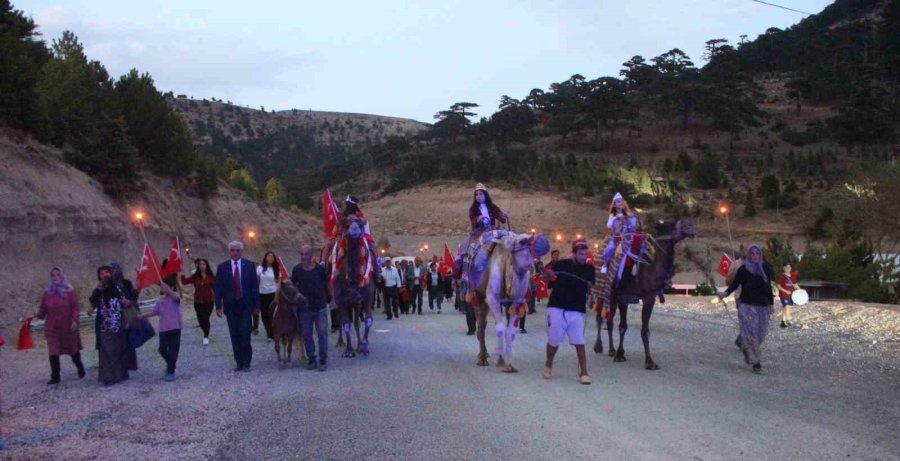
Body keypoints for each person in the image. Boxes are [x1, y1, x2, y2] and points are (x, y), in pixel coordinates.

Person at [543, 239, 596, 385]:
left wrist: (592, 293)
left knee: (579, 340)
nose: (583, 257)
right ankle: (548, 363)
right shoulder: (561, 264)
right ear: (574, 254)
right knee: (554, 339)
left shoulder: (589, 269)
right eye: (580, 254)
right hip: (557, 305)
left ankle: (584, 372)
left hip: (576, 308)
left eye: (585, 254)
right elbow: (548, 280)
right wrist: (547, 275)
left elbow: (591, 285)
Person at [718, 244, 774, 374]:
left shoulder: (765, 268)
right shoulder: (743, 270)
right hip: (747, 305)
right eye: (752, 253)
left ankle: (746, 347)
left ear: (760, 255)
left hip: (764, 307)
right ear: (749, 255)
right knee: (752, 334)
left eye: (757, 253)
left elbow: (768, 287)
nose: (755, 256)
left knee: (761, 335)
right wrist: (725, 293)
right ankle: (757, 363)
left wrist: (771, 304)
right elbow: (734, 284)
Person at [214, 241, 260, 371]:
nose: (235, 252)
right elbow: (218, 288)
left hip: (246, 305)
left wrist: (257, 305)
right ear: (229, 252)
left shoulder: (250, 266)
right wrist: (218, 306)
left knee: (245, 332)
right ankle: (239, 361)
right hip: (231, 306)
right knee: (234, 334)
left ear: (241, 251)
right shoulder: (222, 267)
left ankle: (247, 361)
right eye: (232, 250)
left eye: (237, 250)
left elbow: (254, 287)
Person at [34, 267, 85, 384]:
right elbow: (43, 309)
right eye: (53, 275)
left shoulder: (70, 291)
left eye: (58, 275)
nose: (55, 277)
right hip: (52, 327)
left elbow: (75, 308)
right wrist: (38, 314)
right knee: (53, 350)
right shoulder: (47, 293)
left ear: (62, 276)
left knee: (73, 350)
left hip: (68, 326)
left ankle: (79, 366)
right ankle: (55, 376)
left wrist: (74, 321)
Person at [456, 183, 509, 281]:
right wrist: (478, 219)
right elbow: (473, 219)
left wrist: (503, 216)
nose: (478, 197)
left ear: (485, 195)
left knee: (507, 240)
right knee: (467, 248)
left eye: (480, 194)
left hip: (492, 230)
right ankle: (465, 274)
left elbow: (500, 216)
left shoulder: (492, 207)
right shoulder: (473, 209)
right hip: (478, 233)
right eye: (476, 194)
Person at [292, 245, 329, 371]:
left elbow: (327, 284)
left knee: (322, 333)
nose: (304, 257)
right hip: (304, 309)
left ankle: (323, 358)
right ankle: (312, 358)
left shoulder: (319, 269)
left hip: (319, 307)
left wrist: (332, 299)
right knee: (307, 334)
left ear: (311, 255)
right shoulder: (296, 270)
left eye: (306, 254)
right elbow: (293, 286)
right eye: (302, 254)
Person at [143, 275, 183, 382]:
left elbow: (176, 298)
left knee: (174, 350)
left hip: (175, 328)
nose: (162, 288)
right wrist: (142, 316)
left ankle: (171, 371)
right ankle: (171, 364)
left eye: (163, 286)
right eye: (161, 287)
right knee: (162, 349)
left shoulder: (175, 297)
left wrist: (168, 288)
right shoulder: (160, 300)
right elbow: (154, 312)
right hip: (163, 329)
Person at [96, 275, 131, 386]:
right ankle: (119, 375)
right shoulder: (115, 296)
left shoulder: (107, 298)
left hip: (110, 328)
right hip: (114, 328)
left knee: (109, 354)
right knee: (114, 352)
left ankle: (111, 377)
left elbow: (108, 313)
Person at [181, 258, 216, 345]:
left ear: (206, 266)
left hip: (209, 301)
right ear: (198, 266)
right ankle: (205, 330)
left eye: (204, 264)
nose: (202, 266)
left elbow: (216, 288)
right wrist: (182, 273)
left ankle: (206, 336)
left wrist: (220, 300)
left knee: (206, 319)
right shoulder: (195, 277)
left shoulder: (211, 277)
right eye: (200, 264)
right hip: (198, 302)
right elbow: (184, 282)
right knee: (200, 320)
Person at [256, 251, 280, 341]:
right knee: (264, 314)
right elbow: (257, 281)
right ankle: (269, 334)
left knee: (274, 314)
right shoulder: (260, 268)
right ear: (265, 258)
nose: (270, 258)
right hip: (262, 293)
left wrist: (278, 294)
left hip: (273, 293)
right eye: (269, 256)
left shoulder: (276, 269)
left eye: (272, 257)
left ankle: (276, 331)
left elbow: (279, 282)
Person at [777, 262, 800, 328]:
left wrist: (800, 289)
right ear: (783, 268)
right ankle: (789, 320)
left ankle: (783, 322)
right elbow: (778, 286)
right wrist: (786, 291)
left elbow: (795, 284)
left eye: (789, 267)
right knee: (786, 306)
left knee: (787, 308)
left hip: (791, 295)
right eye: (787, 267)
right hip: (784, 295)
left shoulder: (792, 275)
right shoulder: (781, 276)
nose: (788, 268)